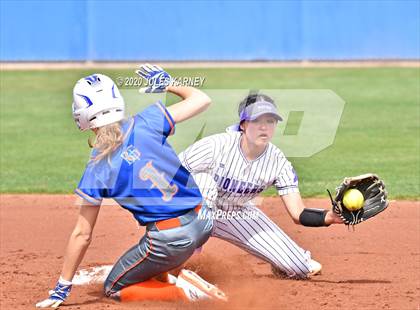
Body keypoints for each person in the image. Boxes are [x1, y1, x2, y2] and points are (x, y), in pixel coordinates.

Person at [36, 65, 227, 308]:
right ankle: (173, 274)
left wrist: (62, 289)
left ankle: (184, 290)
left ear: (83, 115)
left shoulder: (98, 168)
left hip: (171, 239)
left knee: (114, 288)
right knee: (160, 263)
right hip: (204, 221)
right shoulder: (148, 120)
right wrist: (167, 83)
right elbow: (202, 99)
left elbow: (82, 235)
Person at [178, 93, 343, 279]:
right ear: (243, 124)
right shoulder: (215, 146)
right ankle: (186, 259)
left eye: (270, 121)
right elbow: (171, 173)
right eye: (256, 120)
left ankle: (280, 263)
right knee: (204, 182)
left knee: (299, 268)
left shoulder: (278, 163)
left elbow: (298, 213)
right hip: (192, 210)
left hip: (237, 213)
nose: (264, 127)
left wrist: (329, 217)